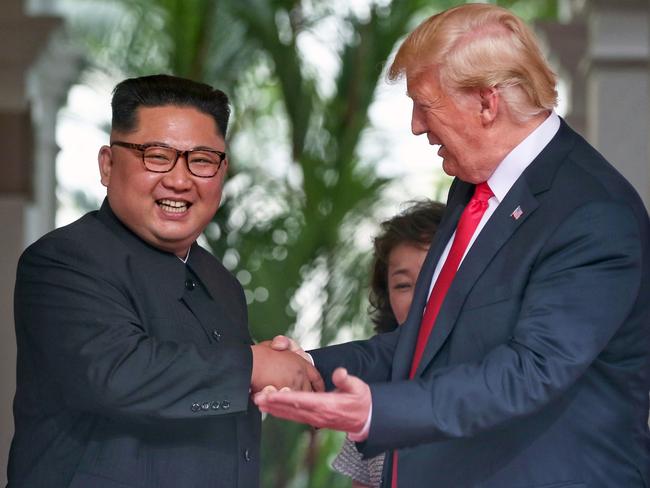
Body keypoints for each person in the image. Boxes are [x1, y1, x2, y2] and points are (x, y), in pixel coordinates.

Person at [254, 4, 650, 488]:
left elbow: (530, 371)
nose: (417, 125)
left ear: (488, 102)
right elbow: (430, 343)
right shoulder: (473, 186)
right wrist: (307, 366)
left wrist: (375, 409)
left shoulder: (592, 211)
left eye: (426, 103)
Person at [7, 74, 322, 488]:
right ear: (107, 164)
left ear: (223, 171)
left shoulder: (219, 281)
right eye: (157, 155)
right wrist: (252, 365)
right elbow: (119, 373)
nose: (179, 179)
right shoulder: (64, 260)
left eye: (203, 160)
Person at [331, 200, 444, 487]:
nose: (422, 298)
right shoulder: (373, 387)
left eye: (439, 278)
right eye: (404, 286)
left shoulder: (505, 374)